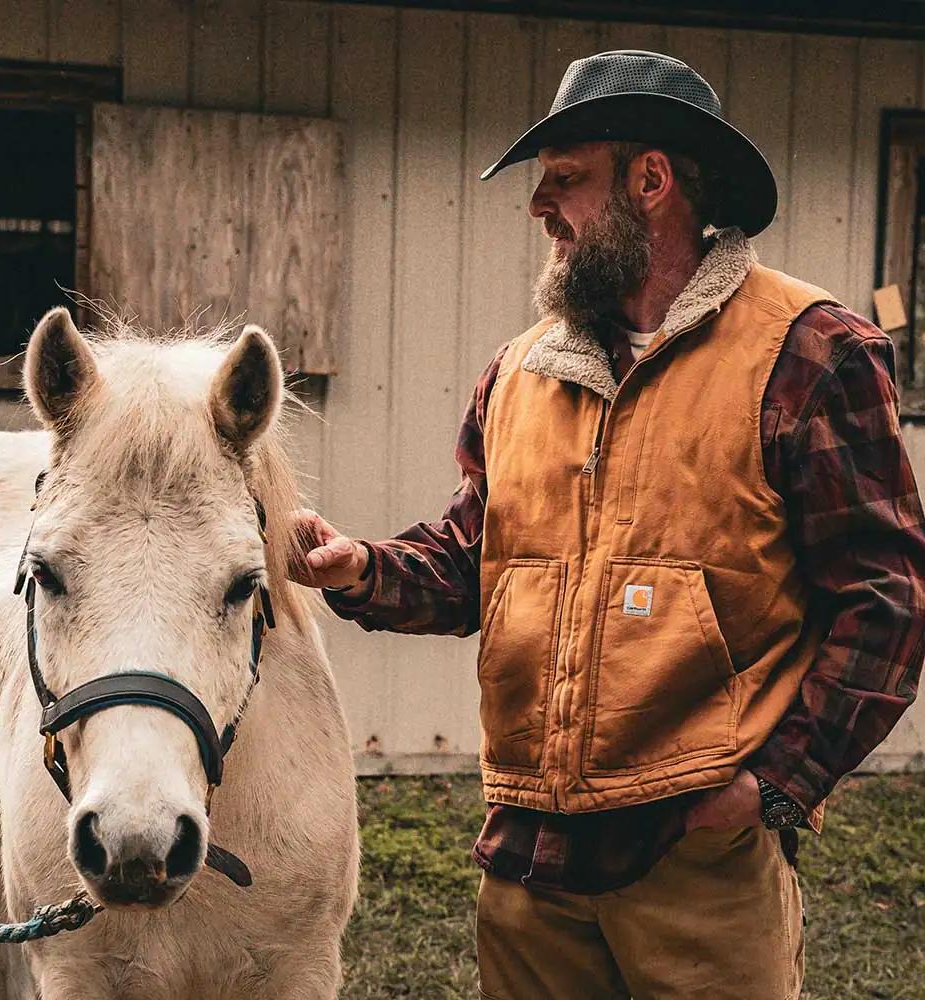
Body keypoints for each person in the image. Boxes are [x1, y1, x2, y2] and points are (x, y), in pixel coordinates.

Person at [291, 50, 925, 999]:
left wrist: (773, 785)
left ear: (652, 180)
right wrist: (361, 570)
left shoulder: (808, 354)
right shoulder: (520, 371)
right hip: (527, 863)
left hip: (699, 861)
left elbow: (887, 599)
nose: (541, 206)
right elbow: (478, 555)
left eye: (565, 180)